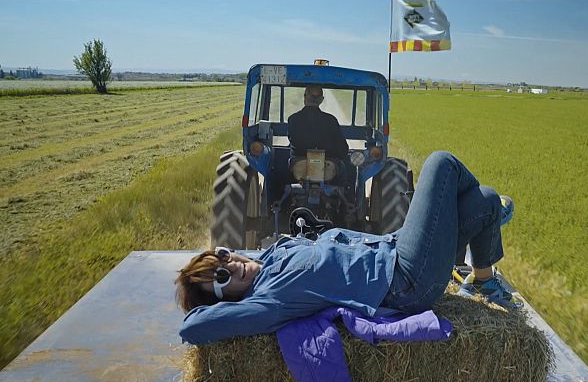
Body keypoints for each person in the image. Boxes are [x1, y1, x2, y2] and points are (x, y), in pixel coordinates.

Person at [175, 151, 516, 344]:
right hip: (406, 280)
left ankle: (483, 279)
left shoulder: (269, 257)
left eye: (221, 255)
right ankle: (500, 213)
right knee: (440, 163)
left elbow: (243, 261)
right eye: (221, 277)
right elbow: (192, 327)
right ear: (226, 299)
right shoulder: (269, 299)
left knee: (482, 200)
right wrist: (198, 294)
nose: (230, 264)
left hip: (395, 247)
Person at [287, 85, 349, 160]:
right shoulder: (331, 120)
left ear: (305, 97)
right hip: (327, 164)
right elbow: (342, 149)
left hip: (299, 165)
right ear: (321, 100)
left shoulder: (293, 119)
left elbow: (293, 142)